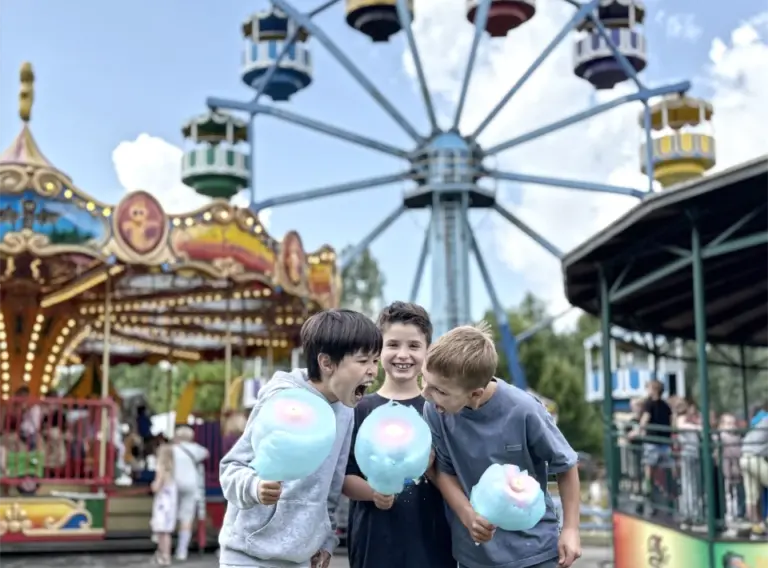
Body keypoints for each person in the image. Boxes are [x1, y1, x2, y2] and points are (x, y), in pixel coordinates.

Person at [218, 309, 382, 568]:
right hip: (249, 556)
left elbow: (332, 485)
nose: (373, 371)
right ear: (326, 363)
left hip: (301, 559)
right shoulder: (282, 400)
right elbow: (231, 468)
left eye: (375, 361)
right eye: (363, 361)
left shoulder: (346, 410)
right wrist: (255, 488)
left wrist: (326, 541)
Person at [421, 323, 581, 568]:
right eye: (424, 380)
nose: (425, 393)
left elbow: (566, 464)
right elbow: (443, 471)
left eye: (439, 390)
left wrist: (571, 529)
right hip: (474, 558)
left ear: (475, 394)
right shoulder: (434, 410)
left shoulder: (524, 410)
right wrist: (468, 515)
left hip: (534, 554)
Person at [343, 302, 454, 568]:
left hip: (432, 545)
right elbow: (344, 477)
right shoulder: (358, 409)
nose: (403, 354)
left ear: (428, 350)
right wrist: (374, 492)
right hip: (374, 545)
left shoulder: (440, 410)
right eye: (393, 344)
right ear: (379, 349)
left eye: (414, 346)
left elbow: (455, 475)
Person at [172, 424, 210, 561]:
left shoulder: (173, 449)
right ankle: (182, 551)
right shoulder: (197, 449)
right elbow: (206, 453)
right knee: (186, 517)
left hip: (174, 485)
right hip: (191, 485)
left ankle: (164, 547)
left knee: (171, 514)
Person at [639, 380, 673, 498]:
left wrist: (640, 429)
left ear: (654, 390)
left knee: (649, 465)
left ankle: (648, 488)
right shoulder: (666, 405)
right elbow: (671, 421)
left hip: (652, 440)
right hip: (664, 440)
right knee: (665, 467)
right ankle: (666, 489)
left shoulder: (649, 404)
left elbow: (645, 418)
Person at [739, 404, 768, 539]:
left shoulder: (760, 420)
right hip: (755, 458)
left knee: (751, 496)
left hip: (744, 458)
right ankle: (764, 524)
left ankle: (755, 528)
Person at [675, 400, 702, 529]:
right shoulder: (682, 420)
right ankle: (689, 513)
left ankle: (694, 513)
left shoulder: (693, 421)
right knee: (689, 485)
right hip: (688, 454)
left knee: (694, 486)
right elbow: (681, 426)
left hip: (695, 455)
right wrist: (697, 427)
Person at [151, 443, 178, 566]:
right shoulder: (173, 469)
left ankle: (163, 554)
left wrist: (153, 486)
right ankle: (166, 555)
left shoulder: (160, 468)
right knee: (166, 531)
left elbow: (157, 486)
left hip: (162, 503)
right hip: (170, 503)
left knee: (161, 531)